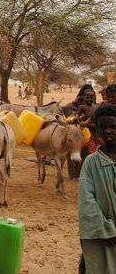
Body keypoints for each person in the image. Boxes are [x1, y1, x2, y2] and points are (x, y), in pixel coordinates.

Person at [78, 104, 116, 274]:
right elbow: (87, 201)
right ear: (97, 130)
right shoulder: (91, 163)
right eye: (103, 127)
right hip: (101, 237)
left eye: (113, 127)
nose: (107, 131)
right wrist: (109, 230)